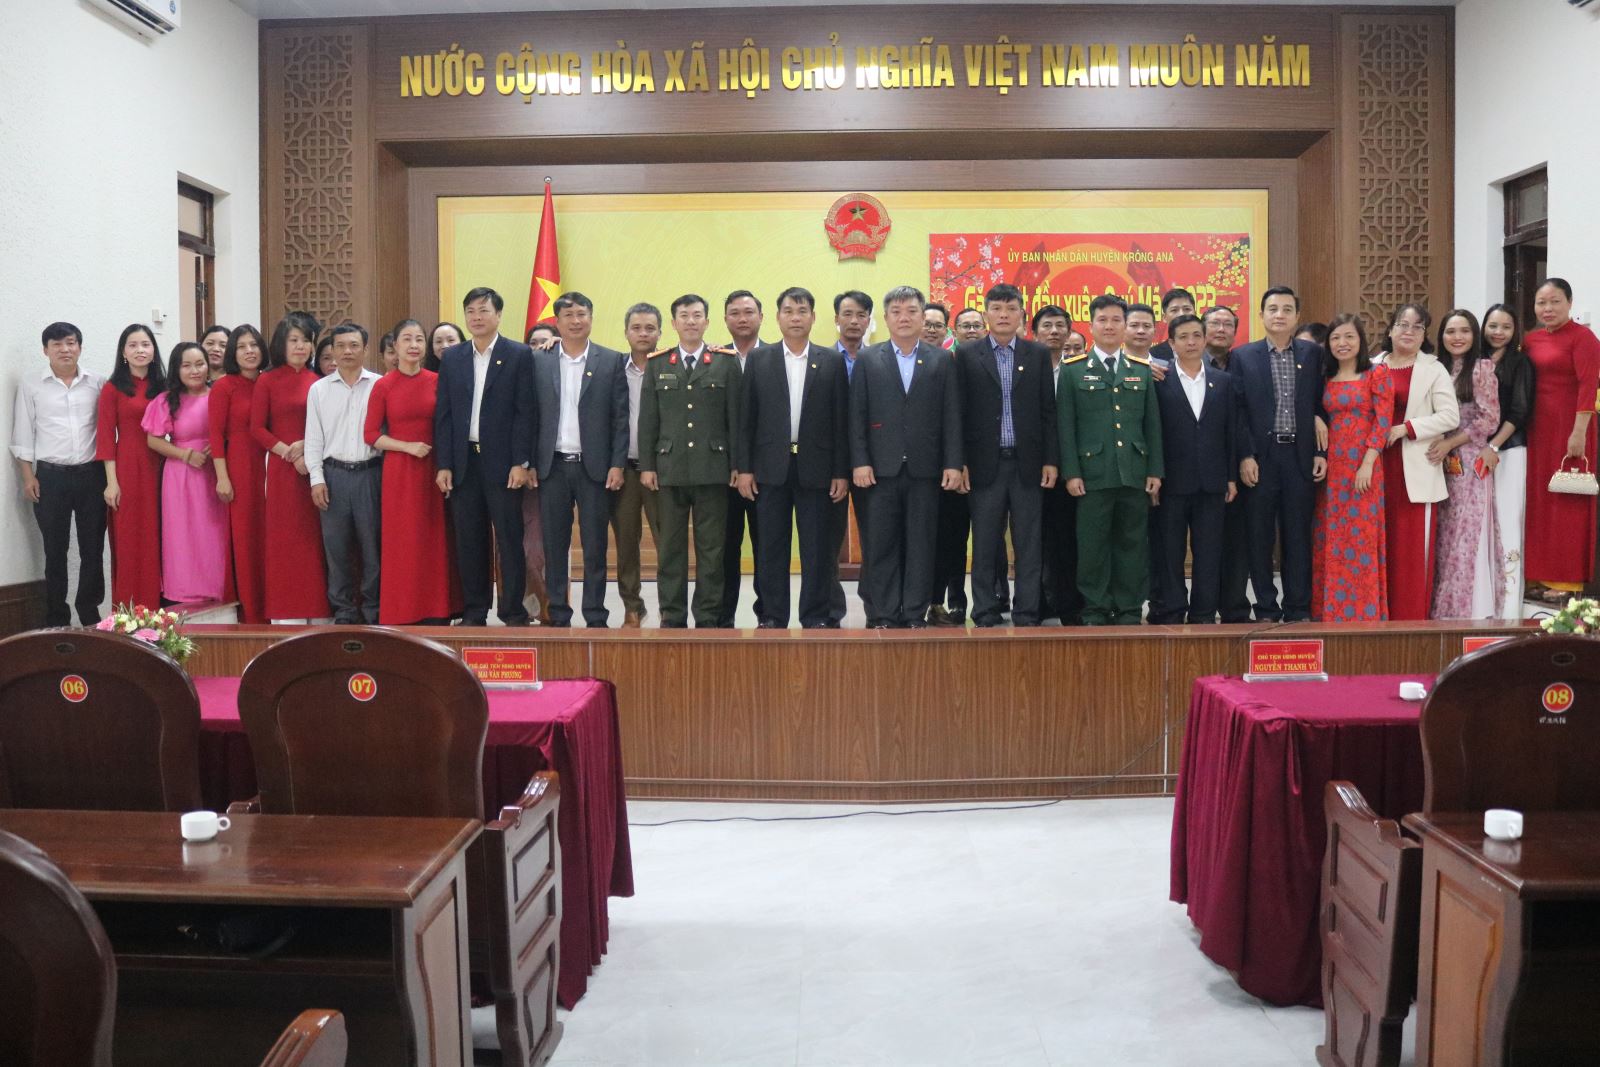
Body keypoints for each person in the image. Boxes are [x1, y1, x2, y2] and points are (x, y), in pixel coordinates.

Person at [736, 286, 850, 628]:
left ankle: (816, 615)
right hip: (770, 468)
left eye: (802, 311)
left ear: (813, 317)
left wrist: (841, 471)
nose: (795, 318)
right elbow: (746, 419)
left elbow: (841, 420)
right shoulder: (760, 359)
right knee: (771, 547)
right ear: (778, 317)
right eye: (789, 311)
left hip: (818, 468)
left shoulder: (831, 361)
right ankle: (772, 616)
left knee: (817, 547)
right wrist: (745, 469)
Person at [849, 285, 963, 628]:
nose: (904, 318)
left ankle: (914, 612)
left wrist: (953, 463)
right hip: (879, 470)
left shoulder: (940, 359)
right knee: (881, 545)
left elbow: (951, 415)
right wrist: (860, 461)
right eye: (896, 312)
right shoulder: (869, 358)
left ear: (922, 317)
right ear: (885, 318)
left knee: (921, 545)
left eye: (911, 311)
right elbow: (857, 414)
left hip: (925, 470)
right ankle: (885, 613)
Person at [953, 284, 1059, 627]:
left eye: (1011, 308)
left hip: (1028, 463)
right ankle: (984, 609)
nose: (1003, 315)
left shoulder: (1036, 353)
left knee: (1029, 542)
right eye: (996, 308)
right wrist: (960, 461)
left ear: (1021, 315)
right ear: (986, 314)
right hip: (984, 464)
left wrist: (1051, 460)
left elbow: (1048, 411)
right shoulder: (967, 354)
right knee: (985, 542)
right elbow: (958, 413)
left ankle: (1027, 610)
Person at [1059, 295, 1163, 625]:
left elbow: (1152, 425)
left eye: (1117, 320)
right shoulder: (1073, 370)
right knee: (1093, 546)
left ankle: (1129, 608)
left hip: (1133, 471)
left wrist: (1155, 471)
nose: (1109, 326)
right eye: (1102, 320)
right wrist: (1071, 472)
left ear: (1124, 326)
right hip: (1091, 474)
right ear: (1090, 326)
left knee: (1133, 544)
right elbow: (1066, 427)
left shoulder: (1140, 370)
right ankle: (1096, 608)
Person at [434, 287, 536, 627]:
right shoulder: (453, 358)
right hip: (464, 462)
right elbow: (444, 414)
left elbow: (525, 412)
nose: (476, 317)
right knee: (469, 540)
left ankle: (512, 610)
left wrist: (521, 462)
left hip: (504, 464)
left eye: (483, 310)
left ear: (498, 315)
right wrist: (444, 463)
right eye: (471, 311)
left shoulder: (518, 354)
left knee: (509, 538)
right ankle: (475, 610)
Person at [639, 293, 742, 627]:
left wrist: (737, 465)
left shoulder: (725, 362)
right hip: (669, 470)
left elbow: (735, 419)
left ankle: (708, 616)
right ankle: (672, 615)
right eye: (684, 316)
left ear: (707, 322)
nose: (691, 321)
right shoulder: (658, 363)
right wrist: (648, 466)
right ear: (673, 323)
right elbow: (648, 420)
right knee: (670, 550)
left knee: (712, 550)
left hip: (713, 469)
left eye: (697, 315)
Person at [530, 292, 627, 628]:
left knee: (595, 545)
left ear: (591, 318)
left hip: (594, 468)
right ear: (556, 322)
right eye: (568, 315)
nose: (575, 321)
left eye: (582, 314)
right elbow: (530, 415)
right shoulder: (539, 360)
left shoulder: (611, 360)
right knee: (554, 545)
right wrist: (530, 463)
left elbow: (620, 418)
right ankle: (558, 612)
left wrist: (617, 463)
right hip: (552, 466)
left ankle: (595, 613)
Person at [1233, 286, 1329, 621]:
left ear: (1297, 316)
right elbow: (1238, 412)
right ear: (1261, 315)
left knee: (1298, 536)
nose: (1280, 315)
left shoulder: (1312, 355)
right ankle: (1265, 607)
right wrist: (1245, 456)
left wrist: (1320, 451)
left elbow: (1322, 403)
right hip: (1261, 458)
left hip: (1299, 457)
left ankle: (1298, 607)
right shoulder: (1243, 356)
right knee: (1259, 537)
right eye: (1273, 309)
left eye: (1287, 309)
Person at [364, 318, 458, 625]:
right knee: (403, 540)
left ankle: (436, 610)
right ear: (395, 346)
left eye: (419, 339)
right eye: (407, 339)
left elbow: (448, 424)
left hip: (435, 469)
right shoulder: (383, 385)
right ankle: (402, 611)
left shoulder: (437, 380)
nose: (414, 345)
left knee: (434, 539)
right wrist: (407, 447)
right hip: (400, 471)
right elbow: (370, 435)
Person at [12, 322, 106, 626]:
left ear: (80, 347)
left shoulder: (98, 383)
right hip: (51, 478)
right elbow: (23, 432)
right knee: (55, 550)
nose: (65, 349)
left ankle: (90, 613)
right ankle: (57, 617)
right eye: (57, 344)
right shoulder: (32, 385)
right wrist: (28, 476)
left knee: (93, 547)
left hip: (92, 476)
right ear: (46, 350)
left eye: (70, 342)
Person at [1372, 303, 1459, 621]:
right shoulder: (1373, 365)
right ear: (1390, 330)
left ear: (1424, 335)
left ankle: (1410, 623)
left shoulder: (1433, 369)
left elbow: (1450, 416)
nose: (1408, 331)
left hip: (1415, 468)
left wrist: (1406, 428)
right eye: (1402, 324)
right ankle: (1376, 619)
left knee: (1410, 553)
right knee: (1378, 548)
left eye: (1417, 327)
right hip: (1376, 466)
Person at [1150, 314, 1236, 624]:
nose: (1191, 342)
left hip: (1212, 481)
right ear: (1171, 343)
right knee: (1170, 551)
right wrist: (1154, 475)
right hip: (1171, 482)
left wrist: (1230, 477)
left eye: (1196, 336)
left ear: (1204, 339)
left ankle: (1203, 612)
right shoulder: (1159, 380)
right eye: (1183, 337)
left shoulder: (1222, 381)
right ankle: (1173, 609)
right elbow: (1152, 432)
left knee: (1209, 552)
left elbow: (1230, 432)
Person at [1521, 278, 1600, 599]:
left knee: (1567, 500)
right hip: (1536, 429)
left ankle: (1566, 579)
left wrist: (1578, 432)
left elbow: (1588, 385)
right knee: (1538, 500)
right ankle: (1536, 573)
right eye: (1542, 302)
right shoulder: (1530, 340)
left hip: (1570, 429)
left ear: (1569, 303)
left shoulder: (1583, 338)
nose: (1548, 308)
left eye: (1555, 302)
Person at [1311, 314, 1391, 622]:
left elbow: (1383, 422)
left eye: (1349, 337)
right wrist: (1316, 418)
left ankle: (1363, 614)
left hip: (1363, 466)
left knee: (1361, 539)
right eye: (1335, 338)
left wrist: (1368, 463)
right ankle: (1330, 612)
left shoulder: (1376, 374)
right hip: (1331, 470)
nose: (1342, 343)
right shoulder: (1324, 376)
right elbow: (1314, 408)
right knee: (1332, 538)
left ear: (1360, 340)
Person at [250, 311, 330, 622]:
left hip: (317, 469)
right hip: (283, 471)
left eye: (306, 341)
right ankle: (286, 615)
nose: (300, 346)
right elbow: (258, 428)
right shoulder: (267, 380)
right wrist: (290, 453)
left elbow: (328, 426)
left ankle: (319, 612)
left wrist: (307, 449)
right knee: (285, 540)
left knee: (315, 541)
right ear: (281, 344)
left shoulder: (319, 382)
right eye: (293, 340)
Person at [304, 323, 382, 624]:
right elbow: (314, 439)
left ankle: (374, 610)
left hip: (370, 474)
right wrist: (317, 479)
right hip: (333, 475)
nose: (347, 351)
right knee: (336, 548)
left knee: (372, 547)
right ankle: (344, 611)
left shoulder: (379, 385)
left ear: (365, 349)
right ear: (332, 351)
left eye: (353, 345)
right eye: (340, 346)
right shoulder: (319, 390)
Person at [142, 341, 227, 604]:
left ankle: (218, 589)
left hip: (217, 472)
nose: (194, 371)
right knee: (183, 534)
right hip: (180, 475)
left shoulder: (219, 395)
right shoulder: (167, 400)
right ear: (176, 369)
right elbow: (153, 440)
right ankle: (185, 592)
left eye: (200, 364)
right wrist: (186, 455)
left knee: (214, 533)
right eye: (187, 365)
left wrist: (221, 445)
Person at [1431, 310, 1503, 619]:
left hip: (1470, 461)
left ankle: (1465, 612)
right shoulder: (1436, 368)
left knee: (1466, 535)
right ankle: (1440, 609)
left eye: (1464, 331)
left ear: (1474, 335)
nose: (1457, 337)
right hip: (1438, 460)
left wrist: (1451, 443)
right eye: (1450, 331)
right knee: (1444, 536)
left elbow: (1489, 419)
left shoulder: (1482, 369)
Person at [96, 324, 164, 610]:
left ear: (154, 350)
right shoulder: (112, 388)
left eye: (146, 344)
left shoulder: (164, 385)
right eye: (133, 345)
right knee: (130, 538)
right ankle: (129, 612)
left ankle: (162, 610)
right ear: (123, 352)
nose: (140, 350)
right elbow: (105, 437)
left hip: (162, 465)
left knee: (159, 536)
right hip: (127, 467)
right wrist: (112, 482)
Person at [931, 306, 989, 623]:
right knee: (950, 539)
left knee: (988, 542)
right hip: (952, 469)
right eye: (965, 326)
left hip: (989, 469)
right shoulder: (945, 364)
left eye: (976, 325)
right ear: (954, 331)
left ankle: (989, 602)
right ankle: (948, 602)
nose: (971, 331)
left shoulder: (995, 362)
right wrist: (957, 461)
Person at [611, 303, 665, 627]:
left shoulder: (671, 365)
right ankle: (632, 605)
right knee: (626, 542)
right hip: (625, 470)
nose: (643, 334)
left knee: (666, 541)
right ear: (626, 332)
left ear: (660, 332)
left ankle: (669, 606)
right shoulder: (612, 367)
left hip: (661, 471)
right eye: (636, 328)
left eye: (650, 328)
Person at [210, 324, 269, 623]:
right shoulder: (224, 386)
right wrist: (222, 477)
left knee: (270, 536)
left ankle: (274, 607)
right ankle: (251, 611)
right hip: (240, 466)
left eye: (254, 345)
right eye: (242, 346)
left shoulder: (269, 381)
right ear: (233, 352)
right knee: (246, 537)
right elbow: (215, 435)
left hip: (272, 464)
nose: (249, 351)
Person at [1480, 303, 1534, 618]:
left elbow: (1520, 411)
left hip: (1509, 451)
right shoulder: (1474, 359)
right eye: (1493, 325)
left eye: (1506, 327)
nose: (1498, 332)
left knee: (1507, 523)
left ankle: (1508, 609)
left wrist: (1494, 445)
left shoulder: (1520, 362)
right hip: (1475, 453)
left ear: (1515, 331)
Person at [1033, 305, 1083, 625]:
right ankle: (1036, 602)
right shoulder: (1026, 367)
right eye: (1047, 325)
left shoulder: (1077, 370)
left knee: (1066, 538)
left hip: (1070, 469)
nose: (1054, 331)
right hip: (1032, 468)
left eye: (1060, 326)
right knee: (1034, 539)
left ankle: (1068, 603)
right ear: (1035, 332)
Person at [1202, 306, 1252, 622]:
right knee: (1205, 543)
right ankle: (1202, 609)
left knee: (1236, 539)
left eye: (1227, 324)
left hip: (1239, 463)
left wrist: (1245, 456)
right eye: (1215, 323)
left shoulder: (1245, 364)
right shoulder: (1186, 364)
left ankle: (1234, 607)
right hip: (1200, 465)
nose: (1221, 329)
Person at [719, 290, 766, 627]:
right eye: (735, 312)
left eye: (749, 312)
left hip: (766, 472)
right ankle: (723, 619)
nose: (742, 318)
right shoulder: (715, 358)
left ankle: (768, 615)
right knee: (724, 549)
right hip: (722, 473)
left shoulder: (777, 357)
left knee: (767, 548)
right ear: (725, 319)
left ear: (761, 317)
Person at [829, 290, 875, 624]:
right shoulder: (822, 359)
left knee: (875, 538)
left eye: (861, 315)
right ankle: (830, 609)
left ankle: (876, 604)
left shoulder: (879, 359)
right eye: (847, 314)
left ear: (869, 320)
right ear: (836, 319)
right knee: (827, 540)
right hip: (830, 463)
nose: (854, 321)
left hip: (871, 463)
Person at [521, 322, 556, 621]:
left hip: (552, 472)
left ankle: (547, 606)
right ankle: (524, 606)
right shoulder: (517, 374)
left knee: (541, 549)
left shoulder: (560, 376)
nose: (539, 348)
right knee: (519, 548)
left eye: (545, 342)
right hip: (519, 472)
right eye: (533, 343)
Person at [1147, 287, 1196, 368]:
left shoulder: (1207, 351)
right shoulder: (1152, 355)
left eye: (1187, 309)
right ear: (1164, 317)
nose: (1181, 314)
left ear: (1195, 313)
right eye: (1174, 310)